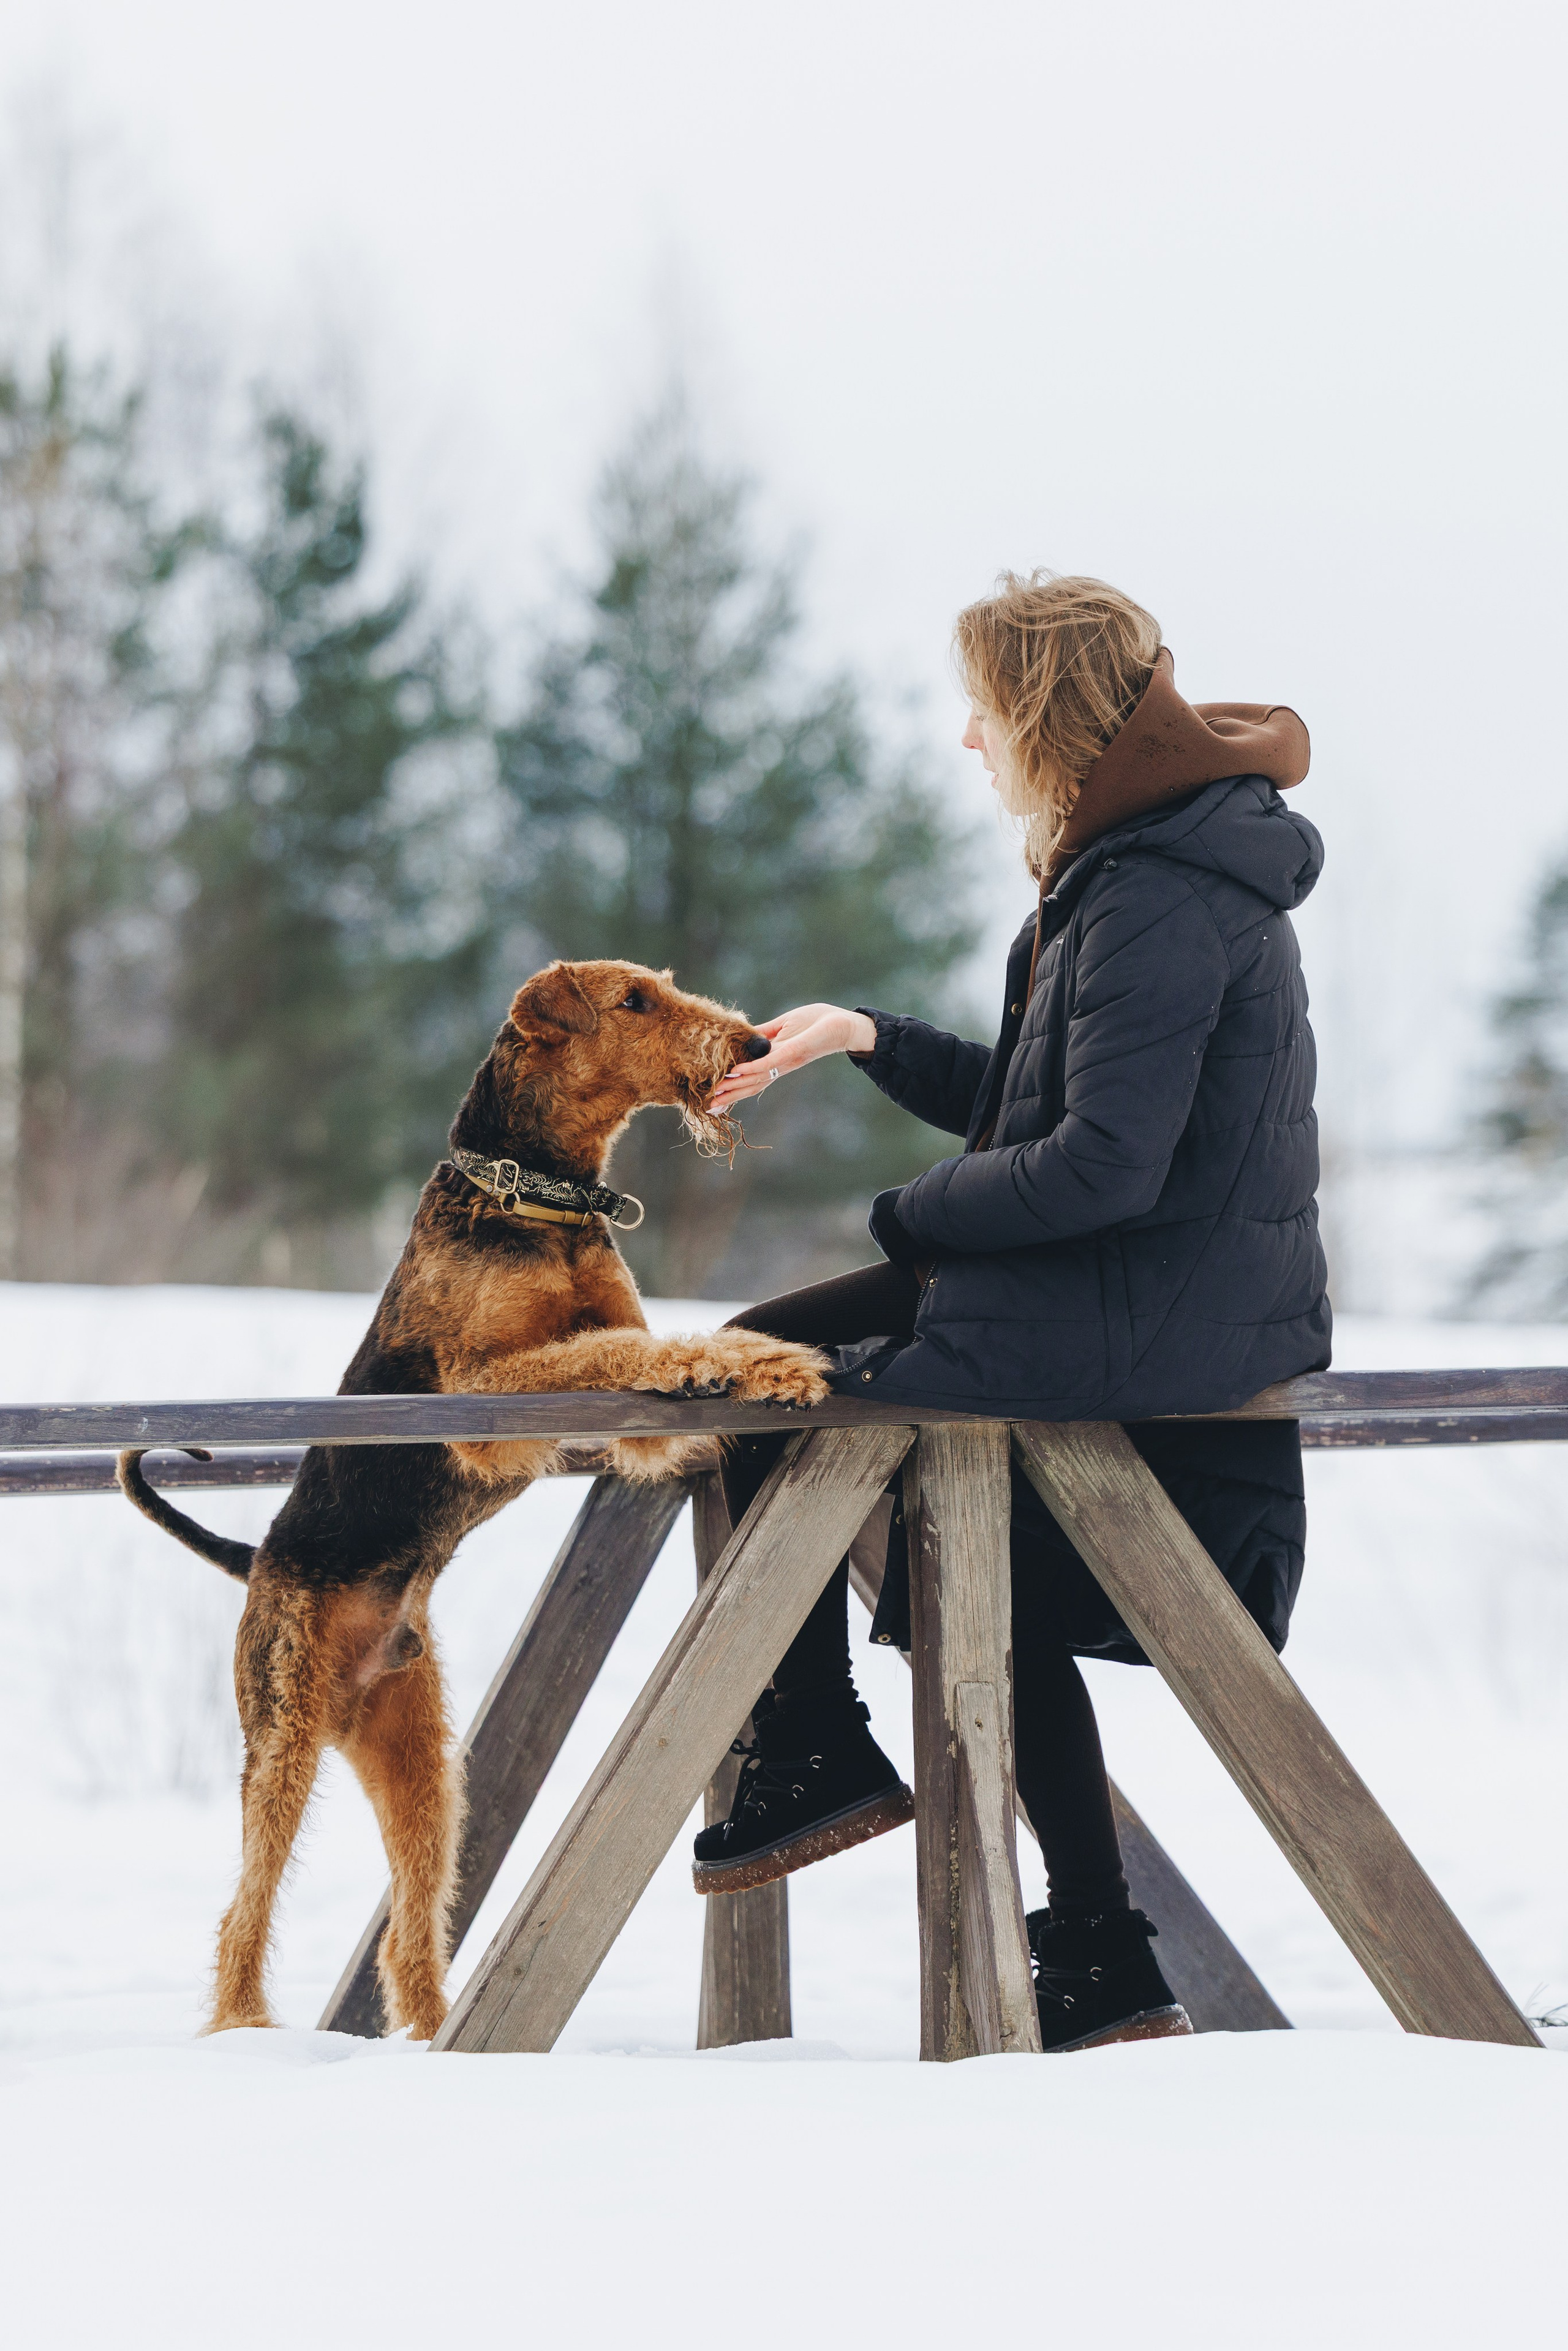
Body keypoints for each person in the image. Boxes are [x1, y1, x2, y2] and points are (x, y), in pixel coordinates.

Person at [688, 572, 1330, 2052]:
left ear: (1041, 715)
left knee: (765, 1393)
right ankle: (1091, 1948)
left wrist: (906, 1219)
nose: (966, 741)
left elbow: (1101, 1163)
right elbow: (1040, 1105)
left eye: (982, 709)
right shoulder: (1128, 871)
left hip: (1151, 1310)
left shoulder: (1157, 890)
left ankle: (812, 1752)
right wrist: (865, 1038)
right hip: (1140, 1291)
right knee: (791, 1405)